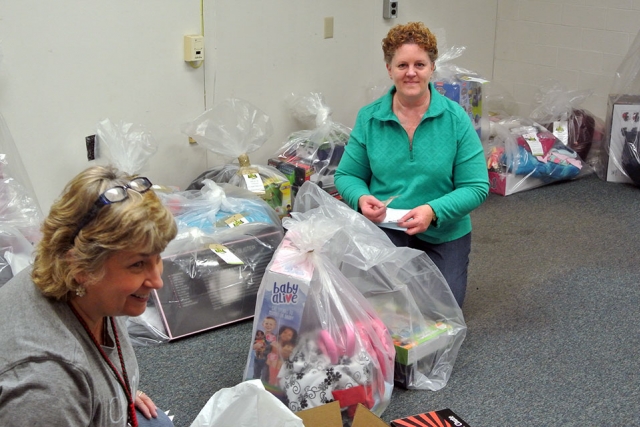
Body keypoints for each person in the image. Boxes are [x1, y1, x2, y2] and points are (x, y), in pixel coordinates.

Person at [0, 165, 178, 426]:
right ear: (81, 267)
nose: (157, 281)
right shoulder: (48, 384)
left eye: (157, 258)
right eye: (138, 265)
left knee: (157, 421)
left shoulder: (91, 290)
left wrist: (120, 395)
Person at [334, 22, 489, 307]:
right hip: (387, 227)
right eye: (402, 64)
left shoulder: (456, 119)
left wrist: (433, 210)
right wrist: (361, 197)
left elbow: (476, 186)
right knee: (375, 308)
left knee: (442, 311)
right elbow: (347, 175)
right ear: (389, 68)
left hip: (444, 231)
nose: (411, 73)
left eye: (420, 64)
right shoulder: (369, 118)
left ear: (432, 68)